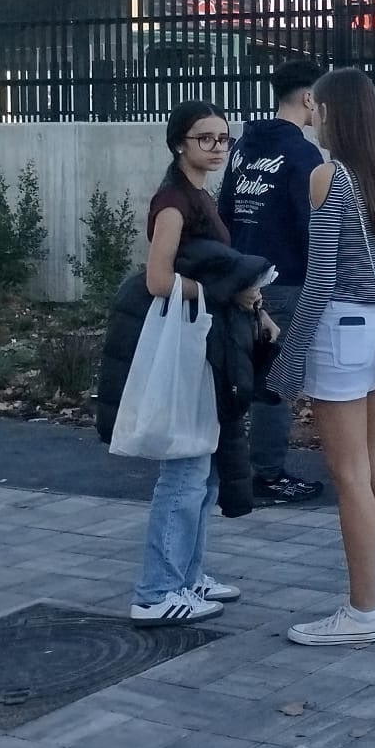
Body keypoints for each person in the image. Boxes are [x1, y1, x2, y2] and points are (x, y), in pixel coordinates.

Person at [100, 101, 278, 626]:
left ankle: (186, 575)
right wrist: (226, 294)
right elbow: (158, 279)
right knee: (186, 469)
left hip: (203, 342)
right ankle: (157, 591)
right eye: (206, 138)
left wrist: (252, 306)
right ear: (180, 143)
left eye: (224, 138)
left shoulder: (198, 195)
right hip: (187, 345)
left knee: (201, 470)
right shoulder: (174, 202)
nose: (218, 147)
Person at [270, 69, 375, 646]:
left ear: (336, 113)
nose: (313, 115)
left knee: (350, 475)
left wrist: (288, 360)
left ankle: (362, 611)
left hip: (340, 332)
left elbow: (319, 279)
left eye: (318, 107)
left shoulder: (330, 177)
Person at [218, 60, 327, 505]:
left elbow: (225, 213)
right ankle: (267, 473)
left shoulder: (243, 145)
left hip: (241, 278)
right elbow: (312, 227)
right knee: (276, 383)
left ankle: (232, 467)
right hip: (285, 283)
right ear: (309, 98)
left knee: (239, 376)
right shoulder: (304, 156)